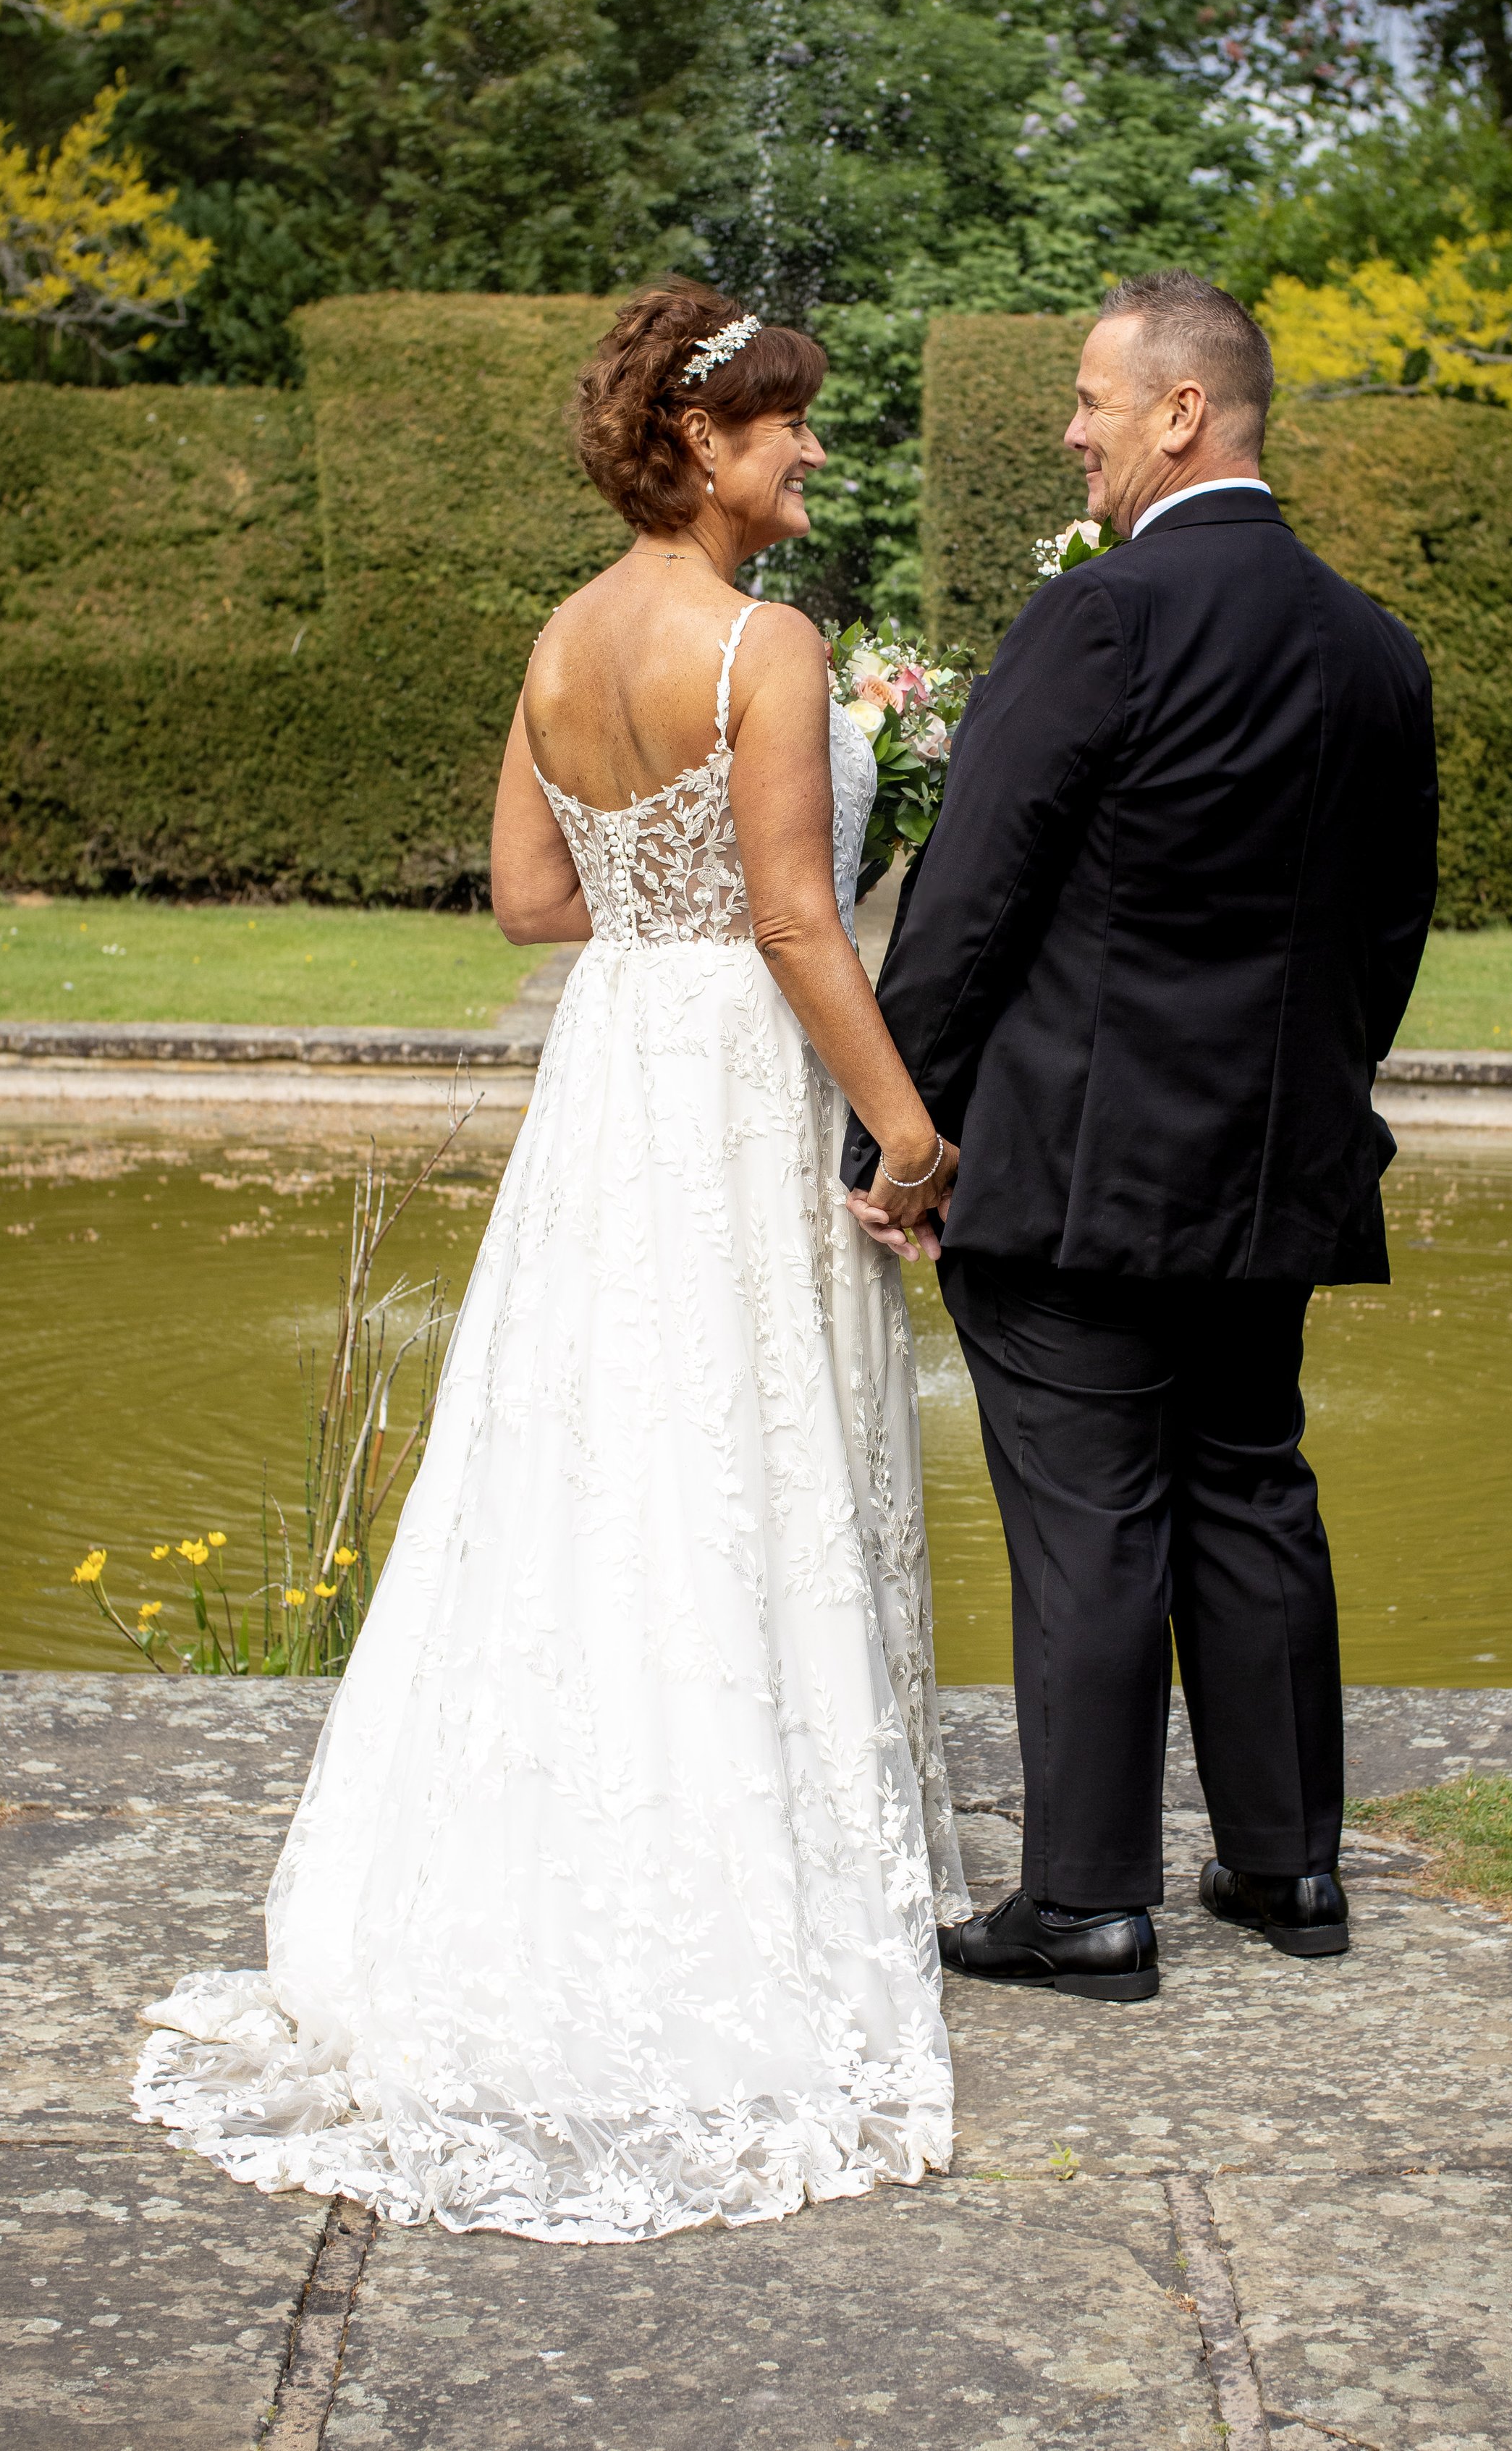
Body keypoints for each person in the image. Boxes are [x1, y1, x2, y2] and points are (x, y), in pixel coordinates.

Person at [134, 279, 971, 2242]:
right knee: (738, 1459)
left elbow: (527, 899)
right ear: (700, 446)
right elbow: (791, 918)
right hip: (738, 1082)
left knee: (590, 1457)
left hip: (613, 1082)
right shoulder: (765, 643)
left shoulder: (560, 640)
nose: (811, 455)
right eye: (784, 428)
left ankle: (542, 1840)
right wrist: (911, 1128)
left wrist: (637, 900)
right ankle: (732, 1877)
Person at [845, 270, 1437, 1999]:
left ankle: (1089, 1904)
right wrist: (1309, 1109)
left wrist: (889, 1139)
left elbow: (965, 903)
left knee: (1092, 1516)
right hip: (1272, 1177)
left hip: (1075, 1178)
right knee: (1251, 1488)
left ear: (1182, 412)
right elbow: (1383, 934)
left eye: (1093, 397)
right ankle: (1286, 1868)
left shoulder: (1099, 623)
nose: (1071, 427)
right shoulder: (1369, 645)